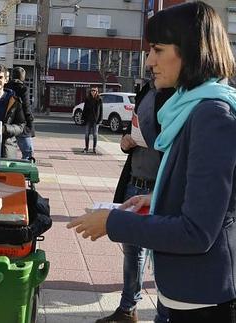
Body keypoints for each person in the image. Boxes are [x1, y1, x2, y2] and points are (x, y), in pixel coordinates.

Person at [67, 2, 236, 322]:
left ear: (190, 51)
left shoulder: (212, 114)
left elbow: (197, 232)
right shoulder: (196, 106)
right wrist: (156, 199)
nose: (149, 61)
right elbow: (207, 196)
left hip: (212, 296)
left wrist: (111, 223)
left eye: (158, 50)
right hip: (197, 291)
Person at [97, 81, 174, 323]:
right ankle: (128, 308)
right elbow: (133, 132)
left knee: (163, 254)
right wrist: (125, 143)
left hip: (160, 188)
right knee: (132, 251)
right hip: (134, 183)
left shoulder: (176, 96)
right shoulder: (145, 92)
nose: (151, 62)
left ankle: (165, 314)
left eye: (157, 53)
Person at [5, 66, 35, 161]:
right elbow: (26, 107)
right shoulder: (23, 88)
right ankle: (23, 173)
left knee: (7, 150)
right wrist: (30, 123)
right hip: (21, 122)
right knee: (28, 153)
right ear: (23, 77)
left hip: (7, 123)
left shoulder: (5, 86)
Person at [82, 87, 103, 154]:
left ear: (97, 92)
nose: (93, 92)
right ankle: (86, 148)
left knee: (95, 134)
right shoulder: (87, 99)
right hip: (88, 119)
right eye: (92, 91)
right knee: (86, 134)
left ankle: (94, 148)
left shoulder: (99, 99)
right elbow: (84, 109)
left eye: (94, 91)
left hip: (95, 120)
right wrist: (83, 118)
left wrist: (100, 120)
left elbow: (101, 111)